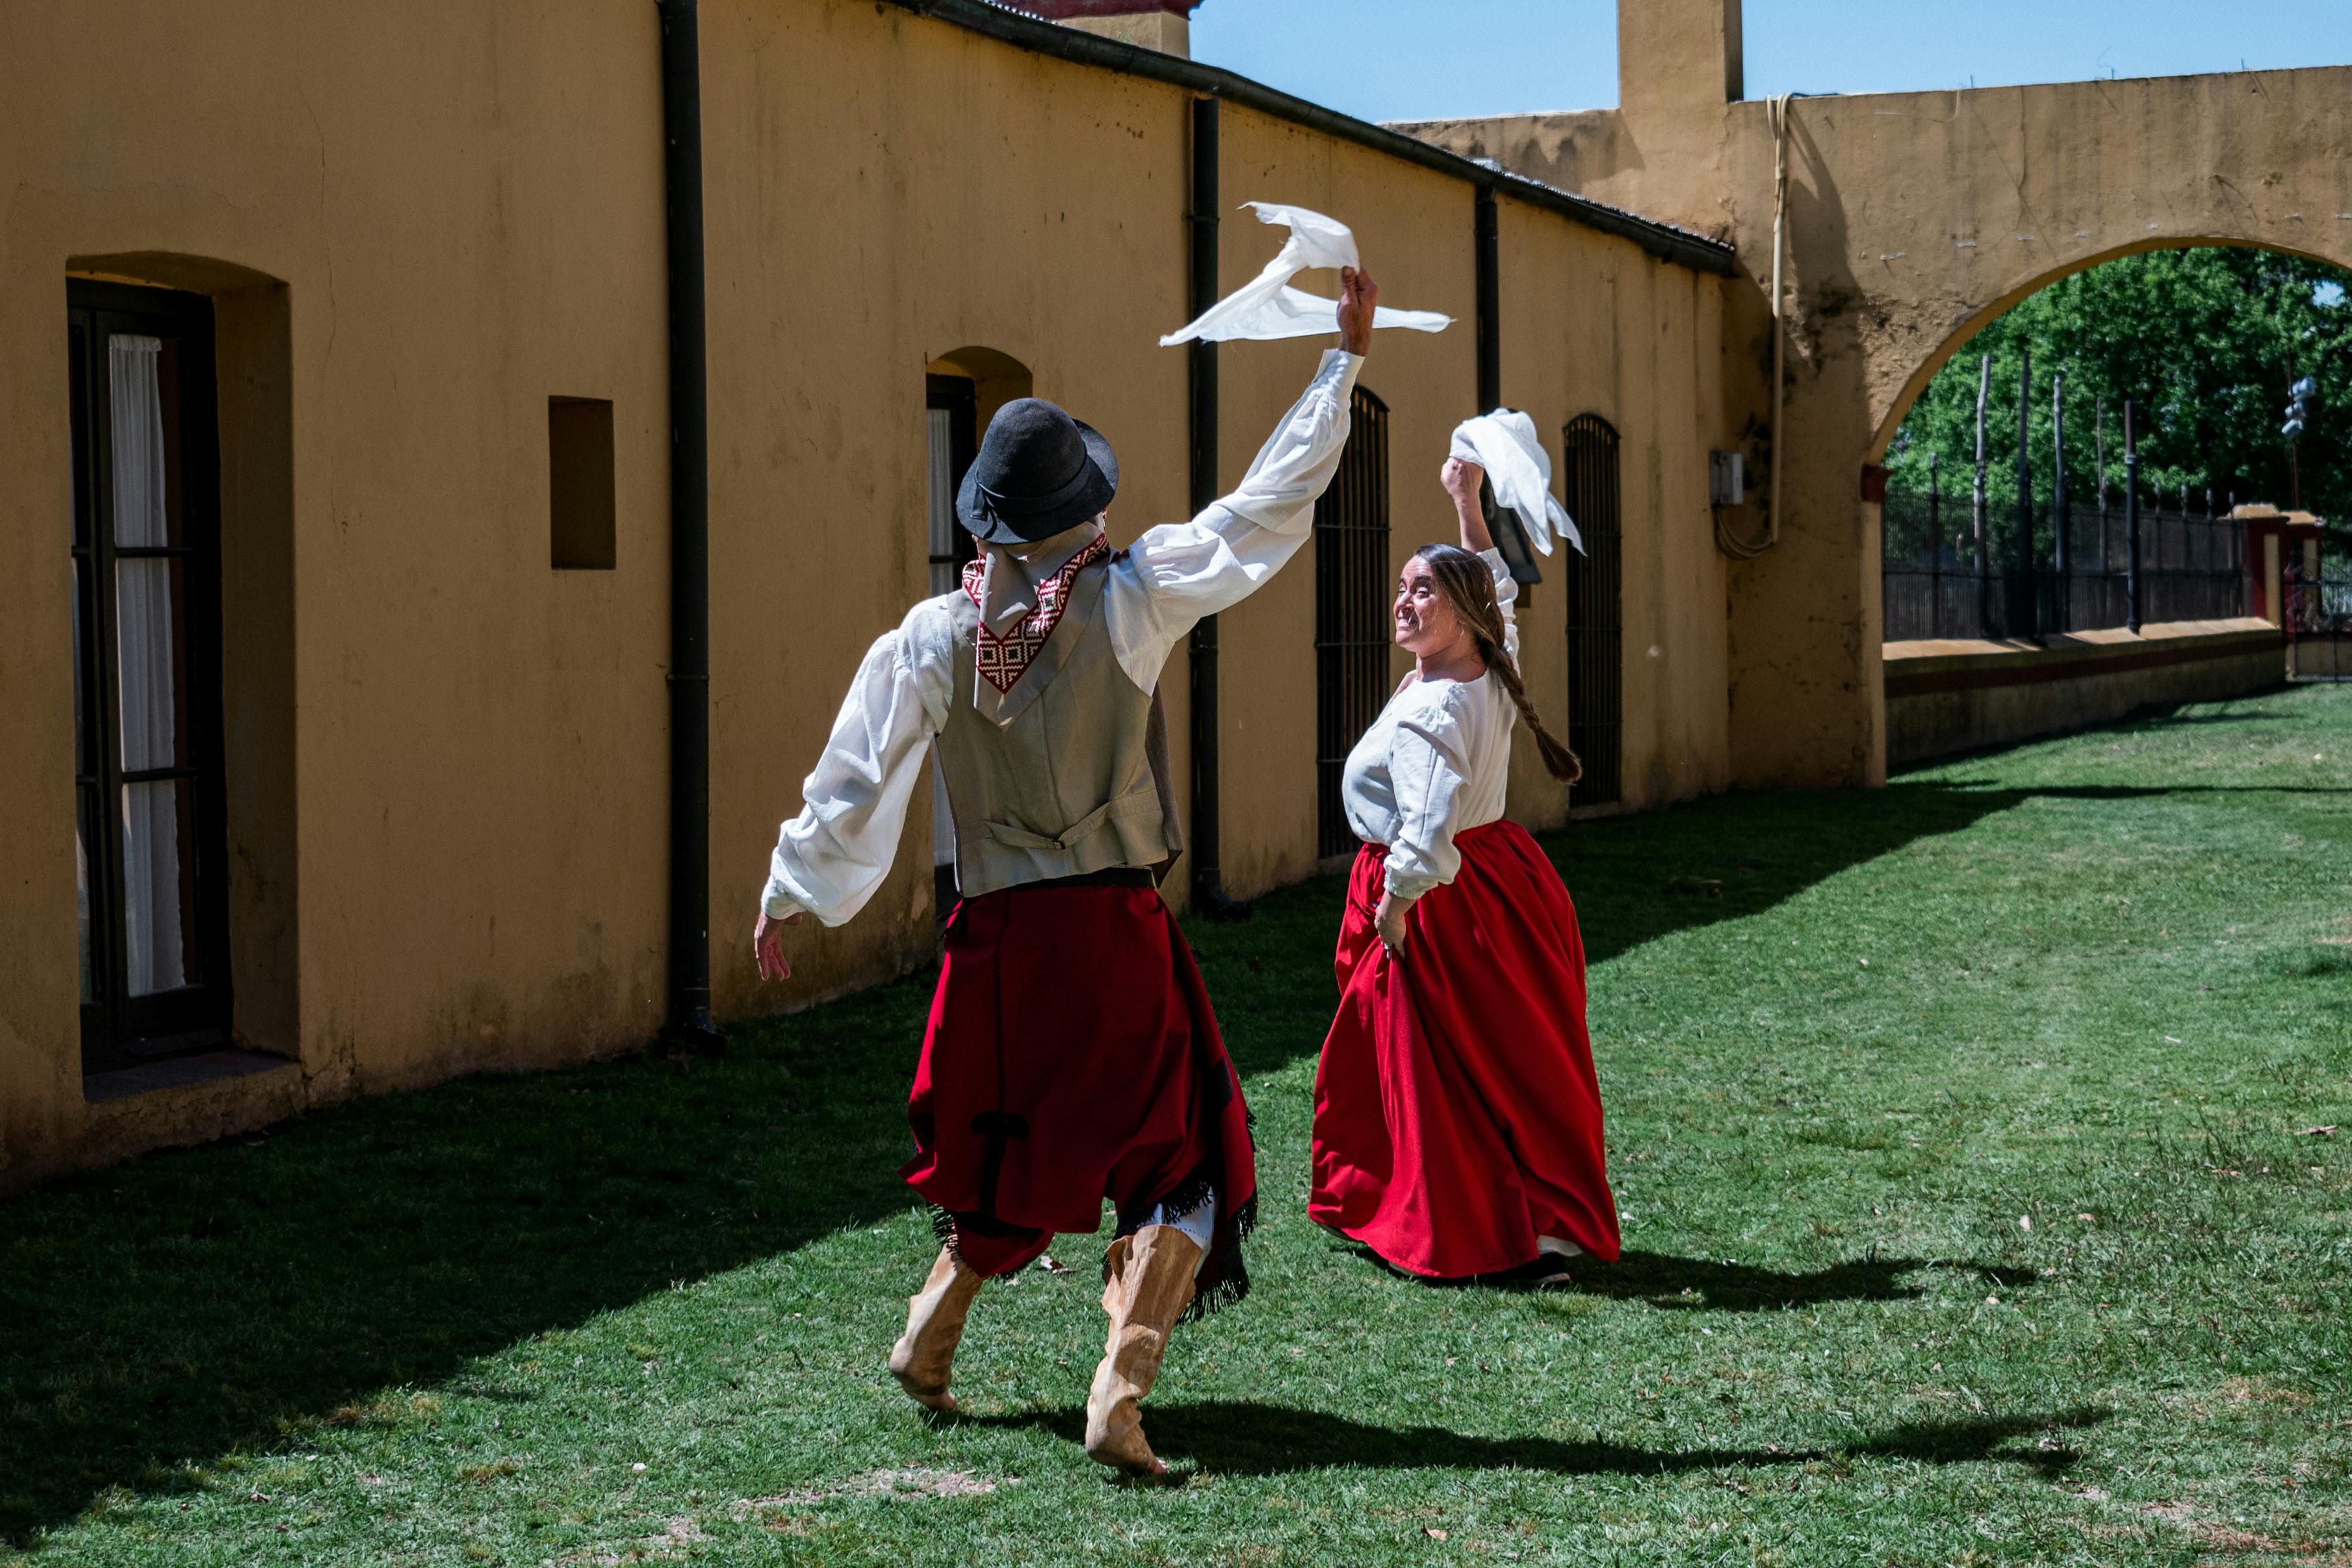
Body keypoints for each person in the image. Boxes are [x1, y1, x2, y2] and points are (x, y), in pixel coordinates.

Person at [754, 269, 1379, 1476]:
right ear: (1078, 509)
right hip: (1105, 934)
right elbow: (1262, 512)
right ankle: (1117, 1395)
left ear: (986, 521)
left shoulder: (929, 637)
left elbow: (851, 782)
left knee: (1009, 1149)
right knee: (1185, 1156)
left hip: (991, 948)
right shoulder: (1132, 596)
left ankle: (926, 1341)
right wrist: (1338, 364)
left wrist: (790, 889)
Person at [1306, 454, 1621, 1285]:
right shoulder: (1486, 662)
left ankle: (1478, 1230)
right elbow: (1496, 588)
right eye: (1403, 587)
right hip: (1498, 880)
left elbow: (1424, 832)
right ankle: (1537, 1222)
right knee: (1511, 1058)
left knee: (1440, 1068)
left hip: (1439, 901)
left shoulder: (1433, 707)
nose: (1405, 601)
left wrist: (1393, 907)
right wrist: (1466, 502)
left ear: (1460, 613)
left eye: (1424, 592)